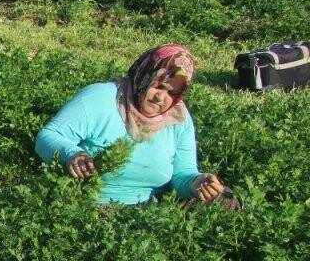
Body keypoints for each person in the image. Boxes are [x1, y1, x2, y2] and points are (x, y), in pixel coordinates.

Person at [35, 44, 234, 206]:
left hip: (149, 210)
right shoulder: (100, 98)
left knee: (226, 200)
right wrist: (71, 155)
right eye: (158, 86)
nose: (161, 98)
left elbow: (181, 174)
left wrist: (196, 182)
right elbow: (48, 136)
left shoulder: (178, 118)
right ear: (144, 76)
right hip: (88, 204)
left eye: (172, 93)